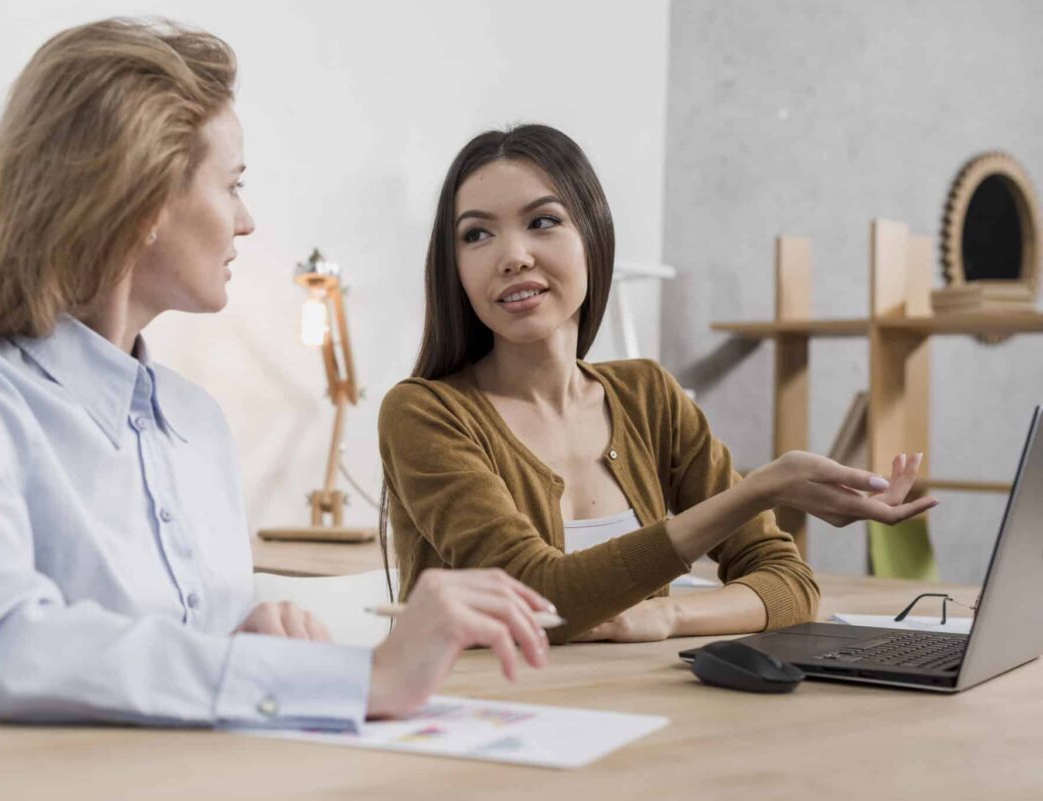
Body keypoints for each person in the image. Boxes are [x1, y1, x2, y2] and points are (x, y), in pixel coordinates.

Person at [0, 18, 552, 729]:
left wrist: (246, 641)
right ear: (142, 201)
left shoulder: (196, 422)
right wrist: (359, 676)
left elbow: (183, 672)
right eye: (233, 185)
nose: (248, 220)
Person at [378, 124, 937, 644]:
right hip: (476, 725)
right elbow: (537, 598)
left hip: (642, 717)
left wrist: (664, 614)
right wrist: (758, 489)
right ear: (454, 268)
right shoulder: (423, 413)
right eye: (477, 234)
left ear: (593, 236)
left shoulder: (648, 397)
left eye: (543, 221)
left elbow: (791, 585)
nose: (513, 256)